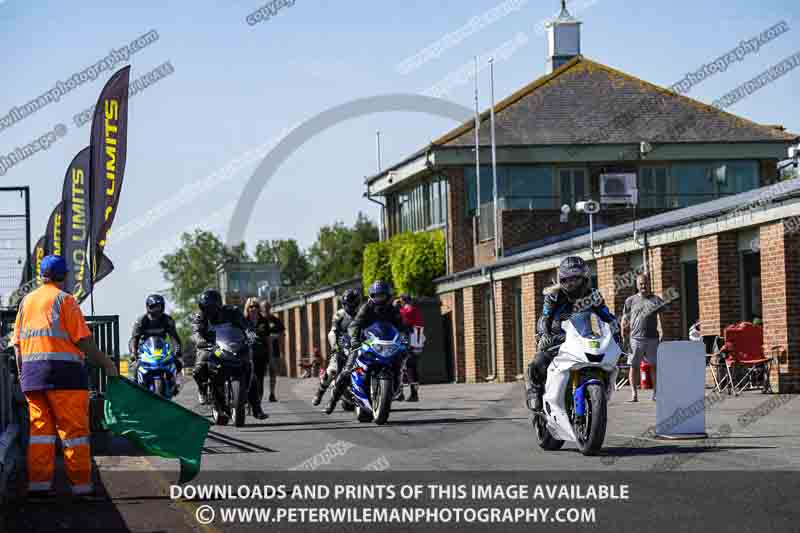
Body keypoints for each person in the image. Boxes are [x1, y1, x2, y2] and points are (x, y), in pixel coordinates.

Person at [10, 255, 118, 497]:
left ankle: (39, 487)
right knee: (73, 433)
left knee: (40, 434)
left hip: (32, 377)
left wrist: (23, 374)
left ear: (42, 276)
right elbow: (83, 341)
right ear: (64, 276)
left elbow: (17, 345)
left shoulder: (26, 302)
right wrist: (106, 363)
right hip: (65, 377)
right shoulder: (65, 300)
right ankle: (81, 488)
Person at [525, 256, 620, 413]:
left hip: (583, 340)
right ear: (561, 280)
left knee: (605, 361)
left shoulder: (593, 296)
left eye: (575, 279)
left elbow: (607, 316)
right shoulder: (554, 296)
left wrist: (615, 333)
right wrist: (544, 334)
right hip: (557, 340)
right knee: (538, 362)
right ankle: (535, 392)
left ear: (584, 278)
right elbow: (545, 318)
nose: (571, 283)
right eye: (567, 280)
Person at [324, 280, 410, 414]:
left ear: (388, 296)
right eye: (377, 296)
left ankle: (399, 387)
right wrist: (354, 340)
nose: (379, 299)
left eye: (382, 295)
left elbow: (402, 326)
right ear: (372, 296)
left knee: (403, 359)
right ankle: (333, 401)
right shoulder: (366, 308)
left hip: (386, 344)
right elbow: (355, 325)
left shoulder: (393, 310)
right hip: (366, 343)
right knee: (347, 371)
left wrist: (405, 338)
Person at [190, 289, 253, 405]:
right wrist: (200, 340)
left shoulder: (232, 311)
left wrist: (250, 333)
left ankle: (247, 394)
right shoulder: (200, 316)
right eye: (205, 307)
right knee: (199, 368)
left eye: (211, 306)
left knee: (247, 364)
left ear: (218, 304)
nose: (209, 309)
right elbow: (195, 332)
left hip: (230, 345)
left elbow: (245, 324)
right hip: (210, 347)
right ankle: (202, 390)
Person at [313, 289, 360, 406]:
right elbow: (332, 332)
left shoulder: (362, 314)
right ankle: (320, 392)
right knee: (331, 371)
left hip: (358, 346)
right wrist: (335, 346)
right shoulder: (340, 314)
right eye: (347, 304)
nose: (349, 307)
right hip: (342, 347)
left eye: (352, 304)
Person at [621, 273, 664, 402]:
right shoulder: (630, 300)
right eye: (641, 284)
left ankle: (656, 394)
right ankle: (634, 394)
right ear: (637, 285)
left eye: (645, 283)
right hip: (635, 339)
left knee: (654, 366)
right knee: (633, 366)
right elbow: (625, 318)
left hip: (652, 338)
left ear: (650, 284)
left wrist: (664, 333)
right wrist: (624, 334)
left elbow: (662, 318)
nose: (643, 286)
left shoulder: (656, 300)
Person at [128, 294, 183, 381]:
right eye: (154, 307)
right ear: (148, 307)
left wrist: (177, 351)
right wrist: (133, 353)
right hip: (144, 350)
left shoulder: (168, 320)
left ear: (163, 307)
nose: (156, 310)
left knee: (178, 364)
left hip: (162, 349)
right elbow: (134, 339)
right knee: (134, 367)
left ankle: (174, 382)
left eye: (159, 307)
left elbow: (174, 337)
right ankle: (135, 384)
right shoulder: (141, 320)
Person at [394, 294, 426, 402]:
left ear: (403, 301)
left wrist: (395, 308)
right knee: (409, 366)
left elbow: (400, 318)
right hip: (415, 340)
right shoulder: (414, 310)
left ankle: (406, 393)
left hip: (411, 340)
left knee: (406, 365)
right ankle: (406, 393)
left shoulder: (409, 310)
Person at [245, 297, 269, 419]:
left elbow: (268, 339)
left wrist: (270, 356)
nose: (254, 309)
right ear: (247, 308)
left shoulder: (264, 321)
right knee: (251, 379)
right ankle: (252, 406)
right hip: (247, 355)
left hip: (261, 355)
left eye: (256, 306)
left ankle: (257, 405)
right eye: (251, 306)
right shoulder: (243, 321)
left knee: (260, 381)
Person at [259, 300, 285, 402]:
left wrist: (275, 337)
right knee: (260, 373)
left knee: (273, 372)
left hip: (274, 350)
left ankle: (272, 393)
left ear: (270, 308)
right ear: (261, 308)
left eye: (268, 307)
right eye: (264, 307)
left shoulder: (276, 320)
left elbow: (282, 333)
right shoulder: (259, 320)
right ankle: (259, 394)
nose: (266, 309)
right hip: (261, 350)